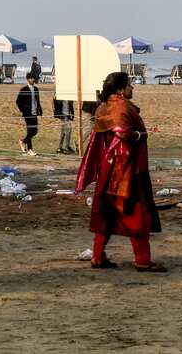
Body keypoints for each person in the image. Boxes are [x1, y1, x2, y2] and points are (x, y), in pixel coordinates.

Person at [75, 71, 165, 272]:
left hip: (109, 169)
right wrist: (140, 135)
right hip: (125, 169)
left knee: (106, 214)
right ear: (120, 90)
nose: (132, 88)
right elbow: (122, 133)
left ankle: (98, 256)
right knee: (136, 214)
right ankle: (142, 260)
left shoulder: (103, 107)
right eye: (129, 85)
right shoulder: (120, 108)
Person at [16, 71, 43, 156]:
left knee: (35, 131)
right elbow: (18, 102)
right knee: (30, 130)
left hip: (34, 112)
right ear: (27, 79)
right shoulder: (23, 89)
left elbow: (37, 101)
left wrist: (40, 109)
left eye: (33, 78)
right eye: (31, 78)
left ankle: (23, 141)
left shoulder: (36, 89)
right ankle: (29, 149)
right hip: (27, 113)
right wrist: (24, 109)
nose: (33, 79)